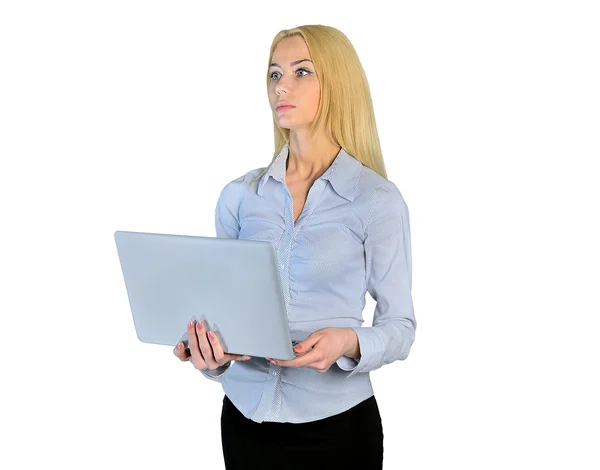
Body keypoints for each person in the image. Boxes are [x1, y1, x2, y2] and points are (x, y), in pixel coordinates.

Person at [173, 24, 416, 469]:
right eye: (274, 74)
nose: (282, 86)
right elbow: (226, 317)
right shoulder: (240, 196)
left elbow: (400, 327)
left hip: (338, 430)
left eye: (301, 72)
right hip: (246, 423)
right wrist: (210, 357)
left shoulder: (376, 201)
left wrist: (347, 342)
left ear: (337, 82)